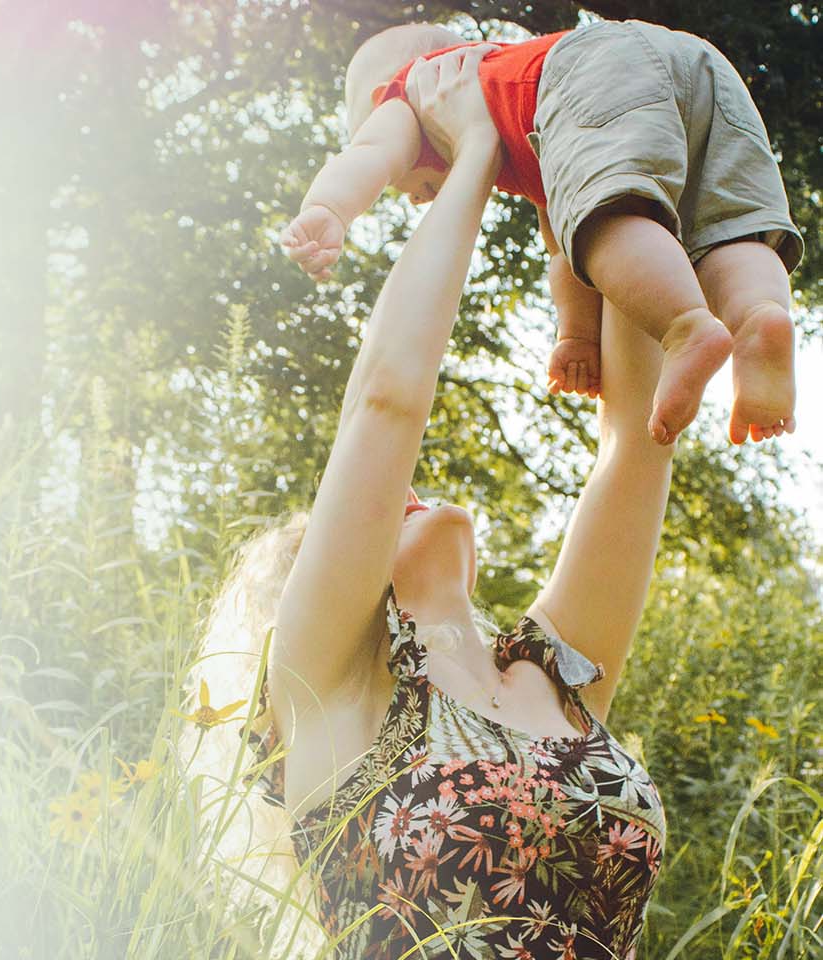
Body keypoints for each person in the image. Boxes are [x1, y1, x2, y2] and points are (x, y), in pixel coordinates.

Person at [183, 49, 670, 957]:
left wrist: (580, 177)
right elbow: (387, 398)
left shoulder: (550, 678)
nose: (399, 490)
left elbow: (637, 442)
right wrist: (476, 149)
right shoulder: (326, 691)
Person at [280, 19, 802, 446]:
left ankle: (686, 326)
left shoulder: (415, 91)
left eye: (406, 185)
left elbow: (369, 153)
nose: (416, 196)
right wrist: (576, 336)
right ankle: (758, 318)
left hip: (594, 67)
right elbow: (564, 247)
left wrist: (328, 208)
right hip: (698, 64)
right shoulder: (530, 117)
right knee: (728, 227)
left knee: (608, 224)